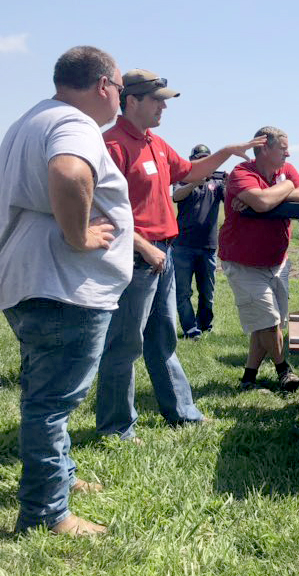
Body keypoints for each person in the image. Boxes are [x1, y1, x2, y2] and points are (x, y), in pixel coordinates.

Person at [0, 46, 132, 536]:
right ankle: (45, 512)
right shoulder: (76, 125)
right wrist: (78, 237)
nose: (119, 98)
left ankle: (61, 477)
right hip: (63, 286)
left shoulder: (29, 121)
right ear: (103, 85)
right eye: (119, 89)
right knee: (51, 403)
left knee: (44, 393)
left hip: (32, 281)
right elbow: (70, 172)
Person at [97, 69, 264, 441]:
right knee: (125, 344)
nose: (164, 107)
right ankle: (115, 428)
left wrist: (225, 152)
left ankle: (183, 413)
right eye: (158, 100)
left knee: (162, 338)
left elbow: (190, 172)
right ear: (133, 101)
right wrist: (142, 246)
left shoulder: (155, 143)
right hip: (135, 255)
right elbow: (102, 208)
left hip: (164, 254)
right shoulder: (111, 145)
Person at [219, 126, 299, 391]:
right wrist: (279, 192)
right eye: (283, 148)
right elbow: (260, 203)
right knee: (269, 321)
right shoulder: (241, 173)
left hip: (276, 261)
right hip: (244, 263)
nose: (288, 153)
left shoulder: (287, 173)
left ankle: (248, 377)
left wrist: (281, 189)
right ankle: (285, 371)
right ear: (264, 147)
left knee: (266, 322)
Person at [171, 144, 225, 339]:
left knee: (207, 291)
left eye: (206, 159)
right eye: (199, 158)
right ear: (192, 161)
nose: (202, 162)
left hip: (208, 246)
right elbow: (176, 196)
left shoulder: (217, 184)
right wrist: (195, 182)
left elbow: (230, 199)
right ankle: (190, 329)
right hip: (183, 245)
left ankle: (204, 325)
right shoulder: (182, 177)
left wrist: (229, 182)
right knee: (183, 291)